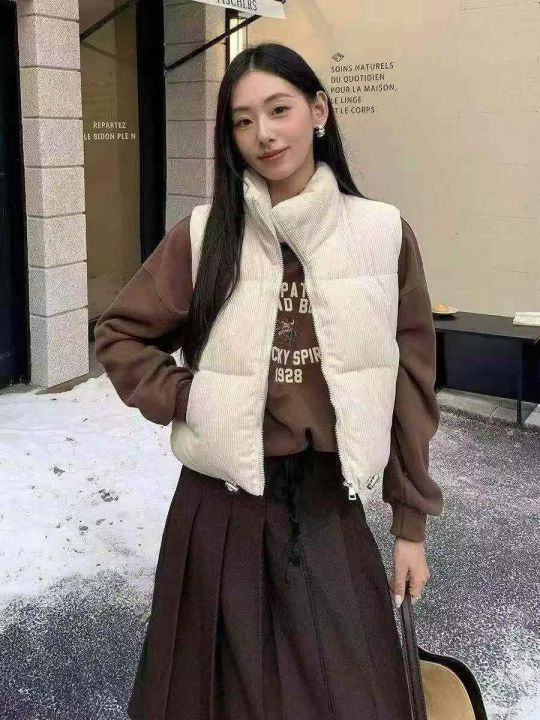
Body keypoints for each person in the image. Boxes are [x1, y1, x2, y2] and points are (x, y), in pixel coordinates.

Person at [94, 41, 443, 720]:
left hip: (327, 506)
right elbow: (120, 335)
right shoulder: (204, 237)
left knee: (351, 696)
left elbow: (412, 385)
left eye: (279, 109)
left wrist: (410, 526)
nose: (264, 134)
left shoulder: (381, 235)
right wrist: (193, 396)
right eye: (243, 120)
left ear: (319, 111)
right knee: (213, 700)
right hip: (218, 512)